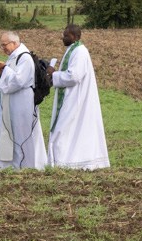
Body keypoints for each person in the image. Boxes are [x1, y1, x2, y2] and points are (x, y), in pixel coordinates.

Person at [45, 23, 110, 170]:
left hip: (76, 99)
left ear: (75, 37)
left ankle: (66, 163)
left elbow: (74, 76)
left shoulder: (80, 52)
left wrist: (52, 74)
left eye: (66, 35)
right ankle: (65, 162)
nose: (63, 38)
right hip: (70, 97)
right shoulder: (72, 50)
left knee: (64, 129)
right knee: (67, 129)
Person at [0, 31, 44, 171]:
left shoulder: (24, 58)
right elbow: (10, 77)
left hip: (22, 103)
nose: (3, 48)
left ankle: (26, 165)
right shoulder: (14, 56)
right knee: (12, 133)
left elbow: (19, 80)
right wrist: (2, 72)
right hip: (13, 102)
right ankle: (12, 165)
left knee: (22, 135)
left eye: (4, 45)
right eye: (1, 45)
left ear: (14, 43)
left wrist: (5, 69)